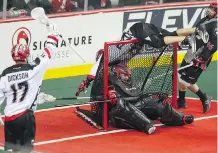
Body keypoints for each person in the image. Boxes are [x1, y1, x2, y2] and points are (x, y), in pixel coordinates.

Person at [75, 49, 194, 134]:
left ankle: (179, 119)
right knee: (121, 104)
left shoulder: (121, 71)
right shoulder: (103, 79)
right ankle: (146, 125)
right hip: (119, 115)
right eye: (123, 75)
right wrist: (110, 96)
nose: (126, 76)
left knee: (156, 102)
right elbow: (97, 102)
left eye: (126, 75)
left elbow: (134, 92)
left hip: (135, 104)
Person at [0, 23, 59, 152]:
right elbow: (49, 51)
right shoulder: (34, 68)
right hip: (25, 117)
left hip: (9, 119)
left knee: (13, 150)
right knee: (26, 150)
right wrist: (53, 34)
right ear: (26, 55)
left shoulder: (5, 74)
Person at [177, 2, 217, 113]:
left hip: (200, 58)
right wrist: (184, 40)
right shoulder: (204, 20)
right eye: (210, 8)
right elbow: (195, 31)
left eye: (213, 10)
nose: (209, 10)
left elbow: (214, 45)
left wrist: (202, 58)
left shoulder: (216, 25)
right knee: (182, 75)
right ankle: (181, 101)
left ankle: (204, 98)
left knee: (185, 80)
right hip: (192, 53)